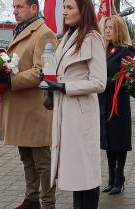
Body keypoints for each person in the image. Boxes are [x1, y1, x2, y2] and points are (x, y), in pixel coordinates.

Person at [0, 0, 58, 208]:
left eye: (19, 6)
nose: (14, 10)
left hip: (36, 109)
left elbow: (44, 71)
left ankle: (47, 202)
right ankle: (31, 198)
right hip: (21, 109)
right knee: (26, 157)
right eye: (14, 6)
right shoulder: (22, 30)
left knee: (43, 163)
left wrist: (9, 80)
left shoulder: (45, 33)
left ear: (34, 8)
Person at [40, 0, 107, 208]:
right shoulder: (68, 36)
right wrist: (49, 82)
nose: (64, 12)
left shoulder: (93, 38)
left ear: (83, 10)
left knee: (86, 171)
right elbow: (57, 70)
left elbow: (99, 82)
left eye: (70, 8)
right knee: (76, 172)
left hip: (81, 114)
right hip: (65, 112)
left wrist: (64, 87)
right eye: (64, 8)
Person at [99, 15, 135, 195]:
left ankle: (119, 177)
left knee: (118, 141)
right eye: (106, 27)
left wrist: (103, 82)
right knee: (108, 141)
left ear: (119, 30)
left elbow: (127, 77)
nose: (107, 30)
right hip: (103, 101)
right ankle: (111, 176)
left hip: (118, 102)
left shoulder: (126, 51)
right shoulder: (104, 50)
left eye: (111, 28)